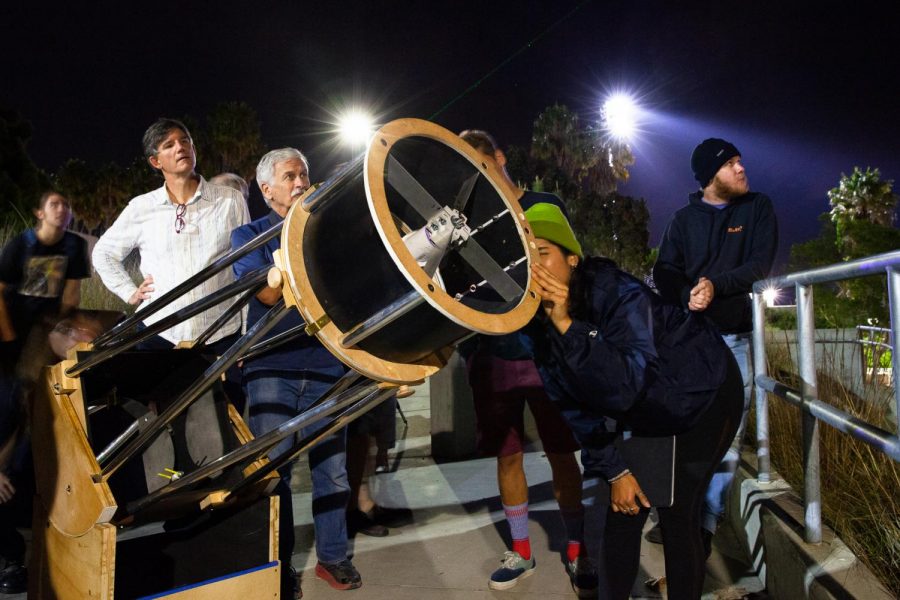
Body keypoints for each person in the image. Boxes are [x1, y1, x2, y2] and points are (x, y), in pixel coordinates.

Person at [525, 201, 744, 599]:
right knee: (623, 509)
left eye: (543, 254)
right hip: (649, 406)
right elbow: (575, 408)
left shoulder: (614, 292)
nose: (534, 268)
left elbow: (628, 381)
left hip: (704, 389)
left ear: (572, 258)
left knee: (678, 513)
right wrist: (615, 471)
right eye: (525, 258)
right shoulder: (537, 326)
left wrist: (568, 327)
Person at [457, 130, 596, 597]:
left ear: (499, 157)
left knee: (561, 453)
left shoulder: (543, 203)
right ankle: (521, 550)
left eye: (481, 163)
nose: (477, 174)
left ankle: (578, 549)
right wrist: (471, 348)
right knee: (508, 454)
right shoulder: (465, 220)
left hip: (546, 352)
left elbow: (574, 266)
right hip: (493, 355)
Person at [231, 148, 360, 598]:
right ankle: (278, 567)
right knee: (275, 475)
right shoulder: (247, 236)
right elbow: (266, 296)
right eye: (289, 176)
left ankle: (333, 557)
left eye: (304, 172)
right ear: (267, 190)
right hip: (272, 367)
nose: (301, 181)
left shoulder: (327, 229)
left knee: (333, 473)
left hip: (328, 365)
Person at [652, 138, 778, 552]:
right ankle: (677, 513)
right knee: (683, 428)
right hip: (690, 342)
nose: (742, 169)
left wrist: (715, 285)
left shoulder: (757, 207)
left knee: (729, 433)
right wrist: (688, 292)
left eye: (741, 161)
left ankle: (703, 529)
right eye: (732, 164)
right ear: (710, 175)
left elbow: (759, 265)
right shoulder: (683, 219)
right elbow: (665, 270)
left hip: (737, 339)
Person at [92, 118, 249, 409]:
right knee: (163, 427)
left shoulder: (230, 200)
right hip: (160, 335)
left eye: (185, 140)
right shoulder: (142, 207)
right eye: (169, 145)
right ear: (155, 161)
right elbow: (103, 253)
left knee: (229, 425)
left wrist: (246, 333)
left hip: (221, 334)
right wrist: (129, 291)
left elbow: (245, 266)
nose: (180, 148)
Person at [0, 190, 90, 594]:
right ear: (39, 212)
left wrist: (59, 338)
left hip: (44, 339)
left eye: (66, 205)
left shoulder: (73, 245)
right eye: (54, 204)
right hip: (15, 338)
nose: (63, 210)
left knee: (32, 428)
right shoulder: (21, 245)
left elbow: (70, 298)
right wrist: (9, 341)